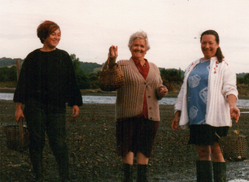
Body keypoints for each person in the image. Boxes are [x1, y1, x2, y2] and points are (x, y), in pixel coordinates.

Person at [13, 20, 83, 181]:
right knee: (36, 142)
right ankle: (39, 176)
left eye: (59, 35)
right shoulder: (32, 57)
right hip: (34, 107)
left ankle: (64, 177)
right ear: (44, 35)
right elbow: (23, 83)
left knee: (59, 144)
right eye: (53, 34)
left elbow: (71, 81)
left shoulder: (63, 56)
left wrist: (74, 103)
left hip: (56, 107)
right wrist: (18, 108)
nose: (57, 37)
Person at [171, 30, 240, 182]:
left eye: (211, 43)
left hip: (215, 116)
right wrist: (178, 113)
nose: (207, 46)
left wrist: (232, 105)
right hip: (197, 116)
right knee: (202, 152)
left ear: (217, 44)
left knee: (217, 151)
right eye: (204, 42)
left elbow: (230, 88)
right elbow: (184, 90)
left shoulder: (224, 66)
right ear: (200, 43)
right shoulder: (192, 66)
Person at [101, 31, 168, 182]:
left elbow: (158, 87)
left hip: (150, 116)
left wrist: (162, 91)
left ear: (146, 48)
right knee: (127, 149)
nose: (139, 48)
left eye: (142, 46)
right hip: (127, 115)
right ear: (130, 47)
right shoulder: (122, 65)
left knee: (144, 150)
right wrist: (111, 60)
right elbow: (107, 77)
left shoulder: (154, 67)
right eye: (136, 45)